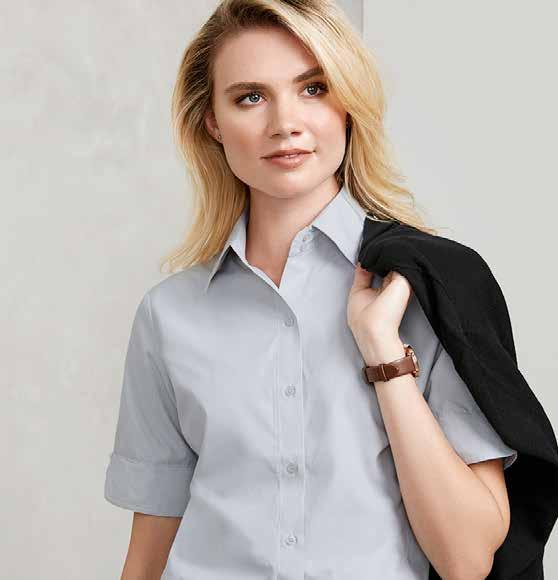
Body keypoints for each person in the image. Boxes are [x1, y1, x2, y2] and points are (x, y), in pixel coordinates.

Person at [103, 1, 518, 578]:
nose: (285, 123)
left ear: (348, 105)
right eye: (251, 97)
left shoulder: (431, 287)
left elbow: (466, 559)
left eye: (313, 89)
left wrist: (385, 356)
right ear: (213, 122)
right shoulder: (169, 315)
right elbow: (149, 551)